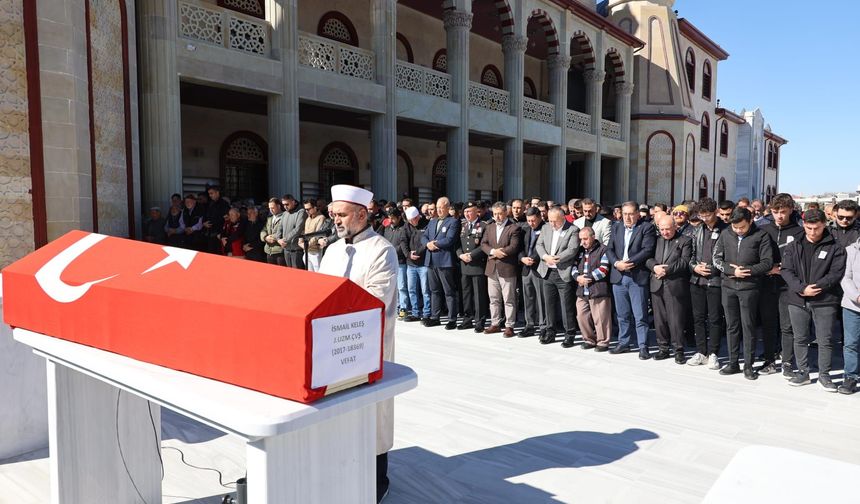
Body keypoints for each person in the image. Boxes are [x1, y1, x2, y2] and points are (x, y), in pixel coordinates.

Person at [317, 184, 398, 504]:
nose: (335, 220)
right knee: (339, 412)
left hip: (367, 344)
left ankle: (378, 479)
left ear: (362, 214)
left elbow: (377, 297)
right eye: (332, 214)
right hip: (331, 345)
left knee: (372, 414)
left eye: (341, 214)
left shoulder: (381, 249)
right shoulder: (333, 250)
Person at [780, 209, 847, 390]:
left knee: (824, 339)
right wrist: (801, 288)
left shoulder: (835, 246)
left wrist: (816, 288)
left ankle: (824, 376)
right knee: (800, 337)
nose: (812, 232)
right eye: (808, 228)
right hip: (797, 299)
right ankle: (803, 372)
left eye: (816, 228)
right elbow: (786, 270)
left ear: (824, 224)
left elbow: (836, 273)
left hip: (825, 300)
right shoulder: (794, 245)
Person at [713, 207, 774, 380]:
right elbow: (716, 258)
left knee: (748, 326)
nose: (738, 230)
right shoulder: (726, 234)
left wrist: (748, 271)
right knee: (732, 326)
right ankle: (733, 362)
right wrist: (730, 271)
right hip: (728, 286)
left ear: (750, 221)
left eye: (742, 227)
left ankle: (748, 365)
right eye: (735, 227)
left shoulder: (761, 236)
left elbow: (767, 262)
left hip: (749, 288)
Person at [759, 193, 805, 377]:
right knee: (768, 324)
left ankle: (787, 361)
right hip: (766, 283)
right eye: (775, 211)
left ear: (791, 210)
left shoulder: (799, 232)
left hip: (788, 286)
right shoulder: (763, 229)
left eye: (783, 212)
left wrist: (783, 269)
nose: (779, 215)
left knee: (787, 326)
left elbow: (802, 261)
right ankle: (769, 360)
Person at [606, 201, 657, 359]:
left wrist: (629, 263)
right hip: (619, 276)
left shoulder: (646, 227)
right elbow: (609, 249)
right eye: (624, 213)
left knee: (640, 315)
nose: (627, 217)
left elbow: (647, 250)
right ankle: (624, 342)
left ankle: (643, 346)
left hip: (636, 276)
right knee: (622, 314)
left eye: (630, 214)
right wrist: (616, 263)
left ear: (637, 214)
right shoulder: (616, 227)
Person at [646, 214, 693, 363]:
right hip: (656, 283)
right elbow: (648, 257)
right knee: (659, 320)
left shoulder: (685, 240)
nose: (665, 232)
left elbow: (684, 262)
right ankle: (663, 348)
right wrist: (654, 267)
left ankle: (678, 350)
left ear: (675, 227)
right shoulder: (656, 239)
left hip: (674, 284)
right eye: (662, 229)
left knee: (676, 319)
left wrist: (666, 270)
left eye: (668, 229)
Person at [687, 198, 727, 369]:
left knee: (715, 318)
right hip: (697, 279)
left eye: (708, 215)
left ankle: (713, 353)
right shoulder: (696, 230)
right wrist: (695, 268)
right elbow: (690, 255)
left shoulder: (726, 230)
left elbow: (728, 256)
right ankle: (701, 351)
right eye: (701, 216)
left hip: (716, 280)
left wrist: (713, 269)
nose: (705, 219)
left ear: (716, 212)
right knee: (698, 317)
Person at [536, 206, 580, 346]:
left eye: (555, 221)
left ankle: (570, 333)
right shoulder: (546, 228)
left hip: (563, 272)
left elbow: (572, 249)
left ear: (563, 218)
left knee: (566, 305)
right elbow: (539, 244)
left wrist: (556, 258)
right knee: (549, 304)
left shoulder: (572, 230)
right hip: (547, 272)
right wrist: (545, 257)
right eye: (550, 221)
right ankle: (550, 331)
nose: (552, 224)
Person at [480, 202, 523, 338]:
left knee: (509, 299)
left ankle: (509, 325)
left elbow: (514, 246)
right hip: (492, 267)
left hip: (507, 268)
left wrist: (500, 252)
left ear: (506, 213)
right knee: (493, 298)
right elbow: (483, 244)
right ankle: (495, 323)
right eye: (495, 213)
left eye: (500, 213)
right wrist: (493, 251)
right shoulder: (490, 227)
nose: (497, 216)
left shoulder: (514, 227)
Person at [422, 197, 461, 329]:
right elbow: (424, 236)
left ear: (447, 208)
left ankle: (452, 319)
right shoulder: (432, 222)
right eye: (437, 207)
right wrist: (427, 244)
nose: (438, 210)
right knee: (434, 290)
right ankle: (435, 316)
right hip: (431, 260)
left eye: (441, 207)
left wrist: (435, 244)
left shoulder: (453, 222)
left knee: (449, 291)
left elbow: (450, 239)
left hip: (445, 261)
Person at [573, 227, 612, 351]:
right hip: (582, 290)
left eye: (585, 239)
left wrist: (587, 278)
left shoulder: (603, 250)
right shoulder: (579, 251)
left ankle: (603, 342)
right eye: (581, 239)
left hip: (598, 289)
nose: (583, 242)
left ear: (593, 237)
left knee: (601, 318)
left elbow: (604, 269)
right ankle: (589, 339)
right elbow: (573, 267)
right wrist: (577, 277)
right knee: (581, 316)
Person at [456, 202, 489, 332]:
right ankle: (467, 318)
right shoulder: (462, 225)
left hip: (477, 264)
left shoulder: (483, 225)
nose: (467, 214)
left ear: (477, 212)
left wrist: (472, 255)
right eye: (465, 212)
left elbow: (484, 245)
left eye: (470, 211)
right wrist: (460, 255)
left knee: (479, 294)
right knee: (466, 294)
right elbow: (457, 244)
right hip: (465, 264)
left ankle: (480, 320)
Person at [519, 207, 545, 338]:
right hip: (526, 268)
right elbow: (520, 247)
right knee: (528, 298)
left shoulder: (546, 229)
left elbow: (544, 247)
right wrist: (522, 258)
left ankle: (542, 326)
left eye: (533, 220)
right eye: (529, 220)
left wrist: (533, 259)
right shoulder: (525, 229)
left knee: (541, 299)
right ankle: (529, 324)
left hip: (539, 268)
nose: (531, 223)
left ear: (540, 217)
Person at [840, 236, 860, 394]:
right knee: (851, 343)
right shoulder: (851, 250)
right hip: (853, 305)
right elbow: (845, 277)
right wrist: (857, 296)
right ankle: (851, 377)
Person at [404, 206, 431, 323]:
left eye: (413, 220)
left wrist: (418, 252)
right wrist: (408, 254)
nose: (411, 222)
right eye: (409, 220)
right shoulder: (407, 226)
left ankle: (427, 312)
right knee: (411, 289)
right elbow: (402, 241)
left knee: (425, 290)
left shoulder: (427, 224)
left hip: (423, 262)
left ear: (417, 217)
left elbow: (426, 242)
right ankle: (415, 312)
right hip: (411, 263)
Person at [382, 208, 410, 318]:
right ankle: (395, 306)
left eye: (393, 218)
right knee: (392, 286)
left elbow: (403, 245)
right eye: (389, 218)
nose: (391, 221)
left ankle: (404, 307)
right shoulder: (387, 229)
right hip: (389, 261)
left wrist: (393, 251)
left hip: (401, 261)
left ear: (399, 217)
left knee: (402, 286)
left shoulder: (404, 228)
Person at [280, 194, 307, 269]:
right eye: (283, 205)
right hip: (286, 249)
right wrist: (278, 239)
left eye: (287, 204)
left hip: (296, 250)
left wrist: (284, 239)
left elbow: (298, 229)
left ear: (293, 202)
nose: (285, 206)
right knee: (289, 273)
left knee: (297, 275)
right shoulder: (284, 213)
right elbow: (280, 228)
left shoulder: (301, 212)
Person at [300, 198, 327, 272]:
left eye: (308, 209)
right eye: (305, 209)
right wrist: (300, 242)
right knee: (309, 274)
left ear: (315, 207)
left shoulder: (321, 218)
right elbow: (305, 232)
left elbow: (317, 235)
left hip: (315, 252)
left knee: (318, 273)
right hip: (306, 251)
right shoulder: (308, 218)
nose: (306, 211)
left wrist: (306, 245)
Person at [203, 185, 230, 254]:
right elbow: (206, 216)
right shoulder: (210, 204)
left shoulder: (224, 204)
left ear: (217, 193)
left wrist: (220, 233)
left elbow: (225, 219)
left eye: (212, 193)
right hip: (209, 233)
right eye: (209, 194)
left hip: (218, 234)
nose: (210, 195)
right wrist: (204, 223)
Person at [261, 197, 286, 266]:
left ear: (278, 206)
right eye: (269, 208)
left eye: (273, 208)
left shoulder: (285, 216)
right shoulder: (270, 218)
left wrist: (272, 238)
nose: (271, 210)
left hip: (279, 251)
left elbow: (284, 231)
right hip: (269, 251)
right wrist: (265, 237)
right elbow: (264, 230)